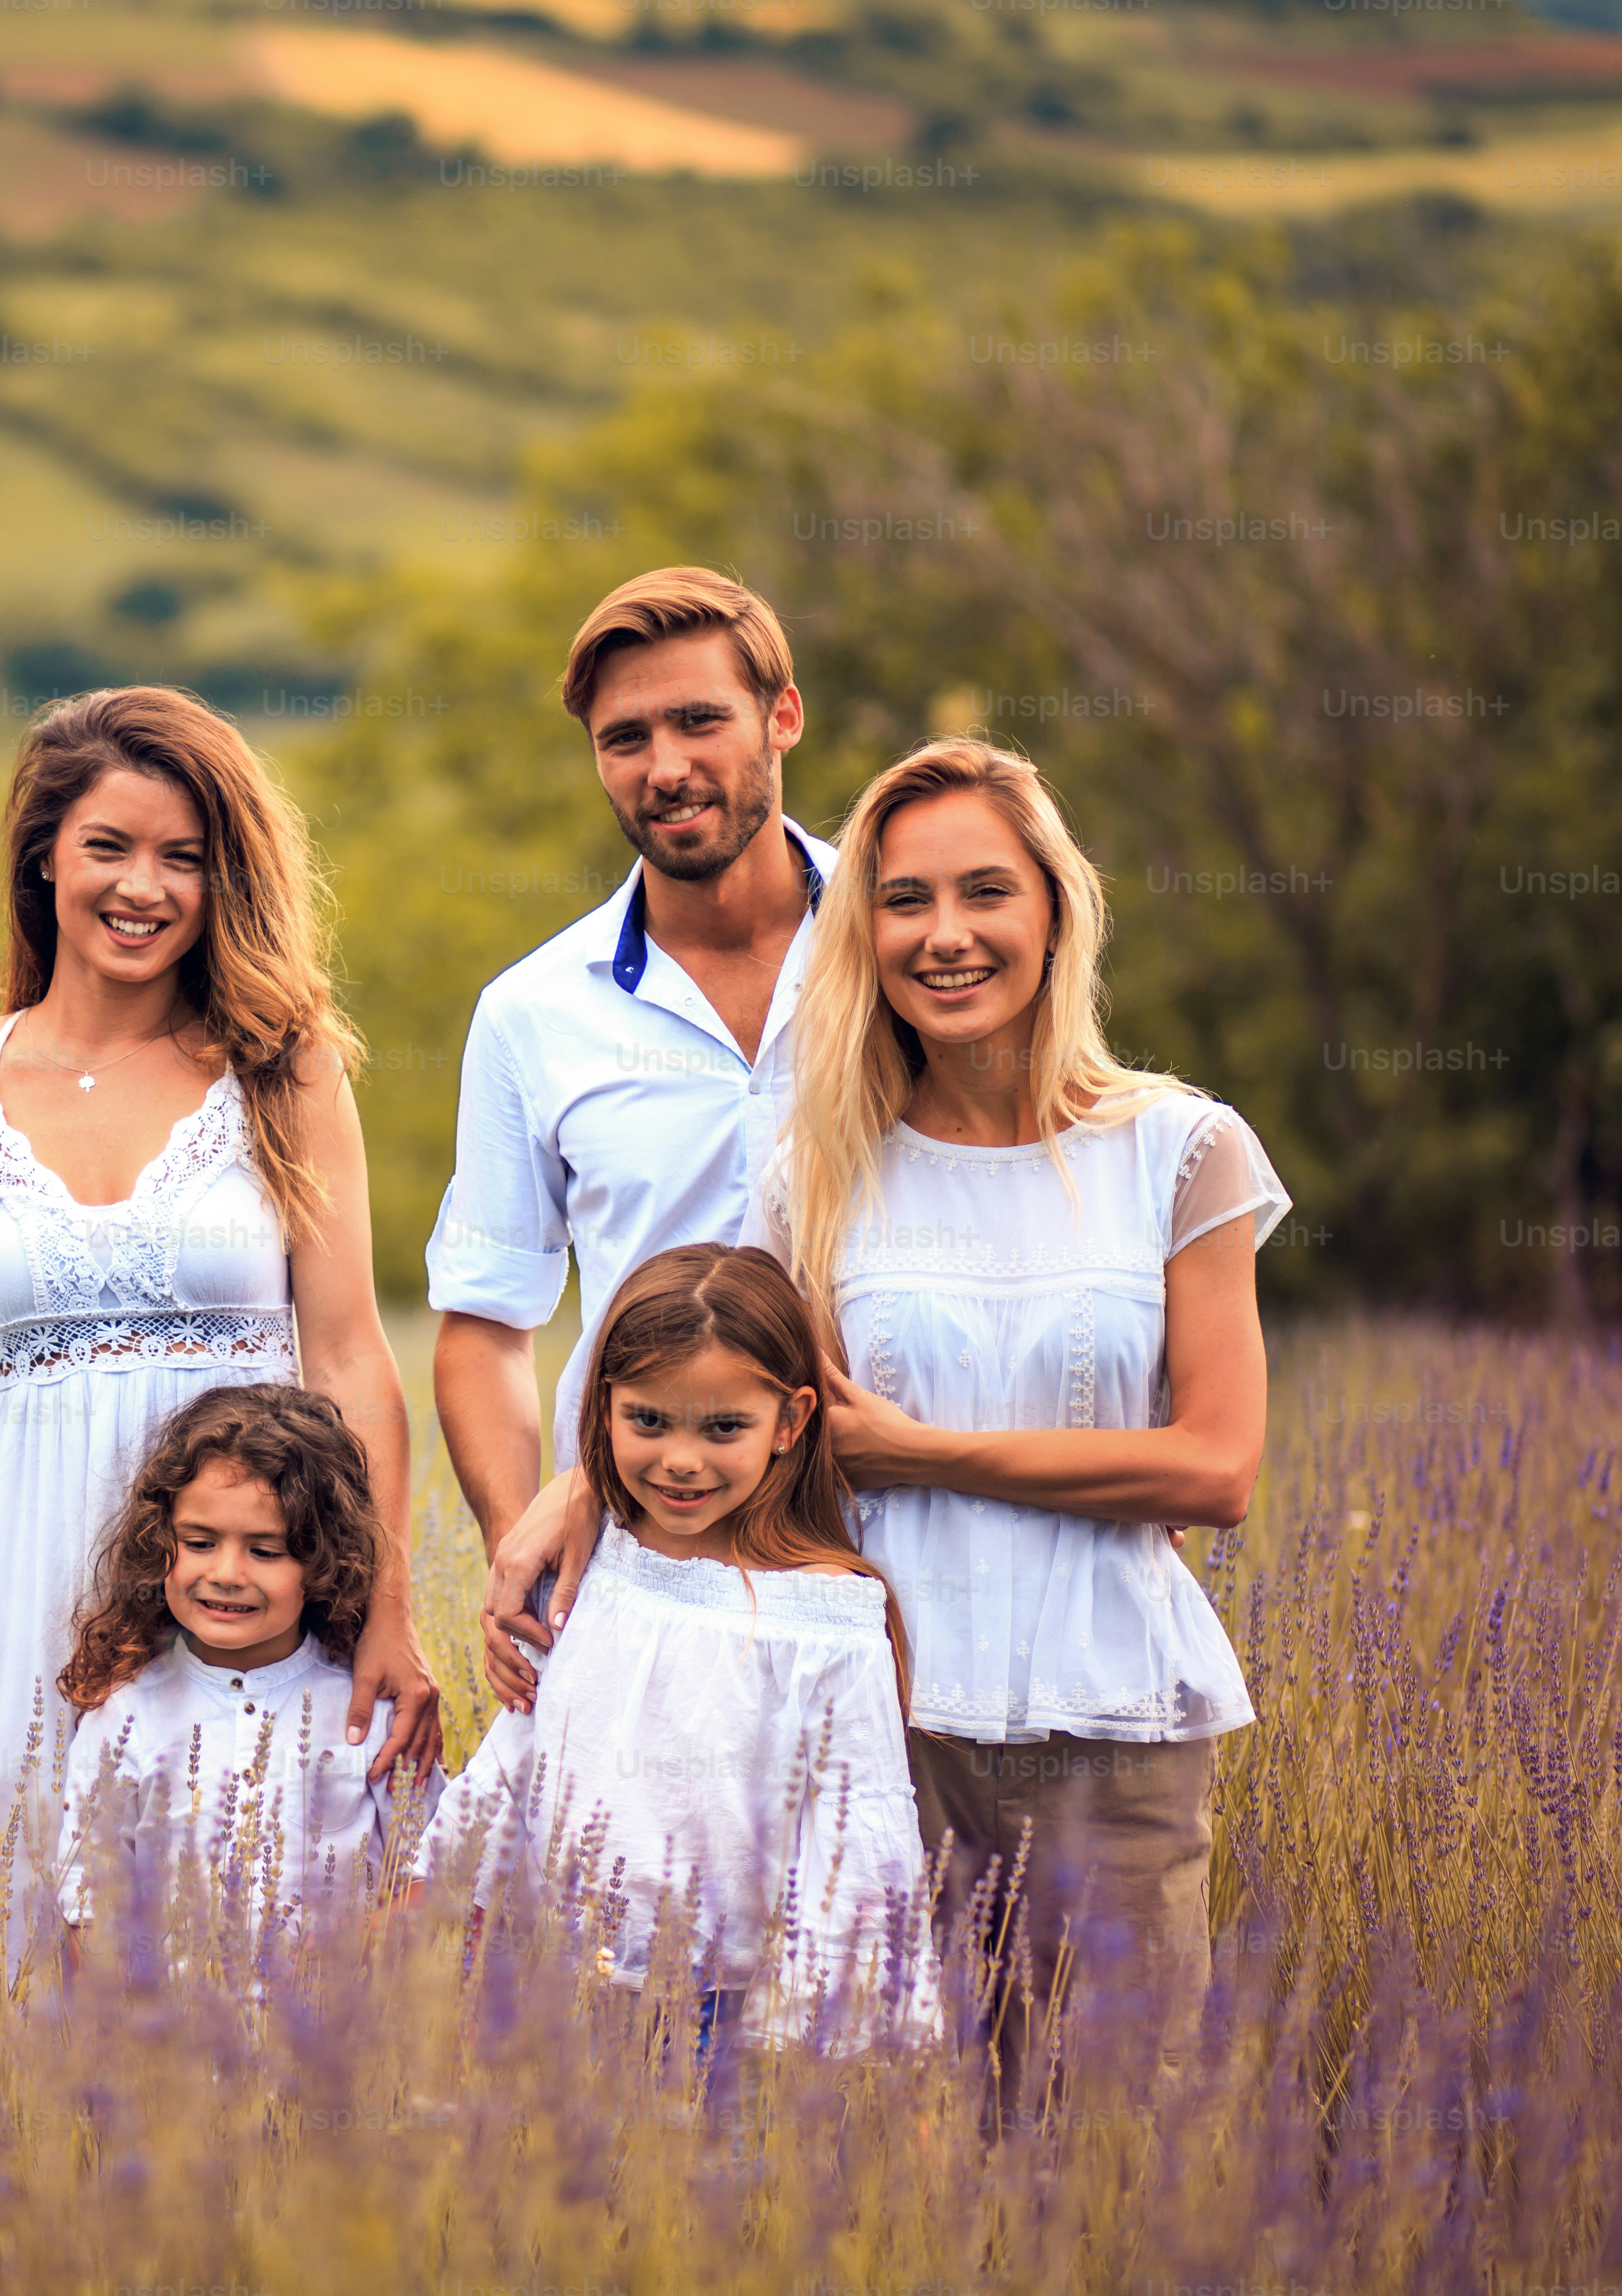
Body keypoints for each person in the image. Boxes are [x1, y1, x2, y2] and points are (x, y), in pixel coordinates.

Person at [498, 736, 1284, 2091]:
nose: (948, 933)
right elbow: (713, 1367)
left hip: (1111, 1725)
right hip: (874, 1718)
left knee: (1117, 2154)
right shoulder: (822, 1167)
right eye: (905, 900)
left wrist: (915, 1452)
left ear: (1054, 907)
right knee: (889, 2144)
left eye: (987, 891)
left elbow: (1215, 1468)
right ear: (863, 931)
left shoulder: (1183, 1148)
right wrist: (565, 1498)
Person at [0, 687, 438, 1957]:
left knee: (266, 1931)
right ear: (45, 854)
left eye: (184, 857)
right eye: (109, 846)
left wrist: (384, 1605)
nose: (143, 886)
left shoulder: (280, 1065)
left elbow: (352, 1351)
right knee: (28, 1926)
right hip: (26, 1559)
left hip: (251, 1578)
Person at [431, 569, 839, 1712]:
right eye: (625, 737)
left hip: (893, 1534)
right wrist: (527, 1533)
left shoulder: (899, 939)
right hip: (641, 1565)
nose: (664, 766)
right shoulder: (532, 1011)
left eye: (700, 719)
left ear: (782, 716)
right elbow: (481, 1318)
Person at [420, 1246, 934, 2061]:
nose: (681, 1459)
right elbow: (525, 1748)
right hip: (551, 1976)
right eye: (648, 1420)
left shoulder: (825, 1621)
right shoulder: (592, 1566)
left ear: (791, 1422)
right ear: (605, 1407)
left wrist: (813, 2045)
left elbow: (851, 1839)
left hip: (724, 2016)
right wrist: (443, 1893)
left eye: (723, 1426)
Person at [54, 1384, 439, 1976]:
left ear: (322, 1561)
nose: (227, 1573)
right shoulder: (123, 1718)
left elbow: (434, 1873)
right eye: (200, 1543)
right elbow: (90, 1907)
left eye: (266, 1550)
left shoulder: (371, 1714)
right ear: (161, 1544)